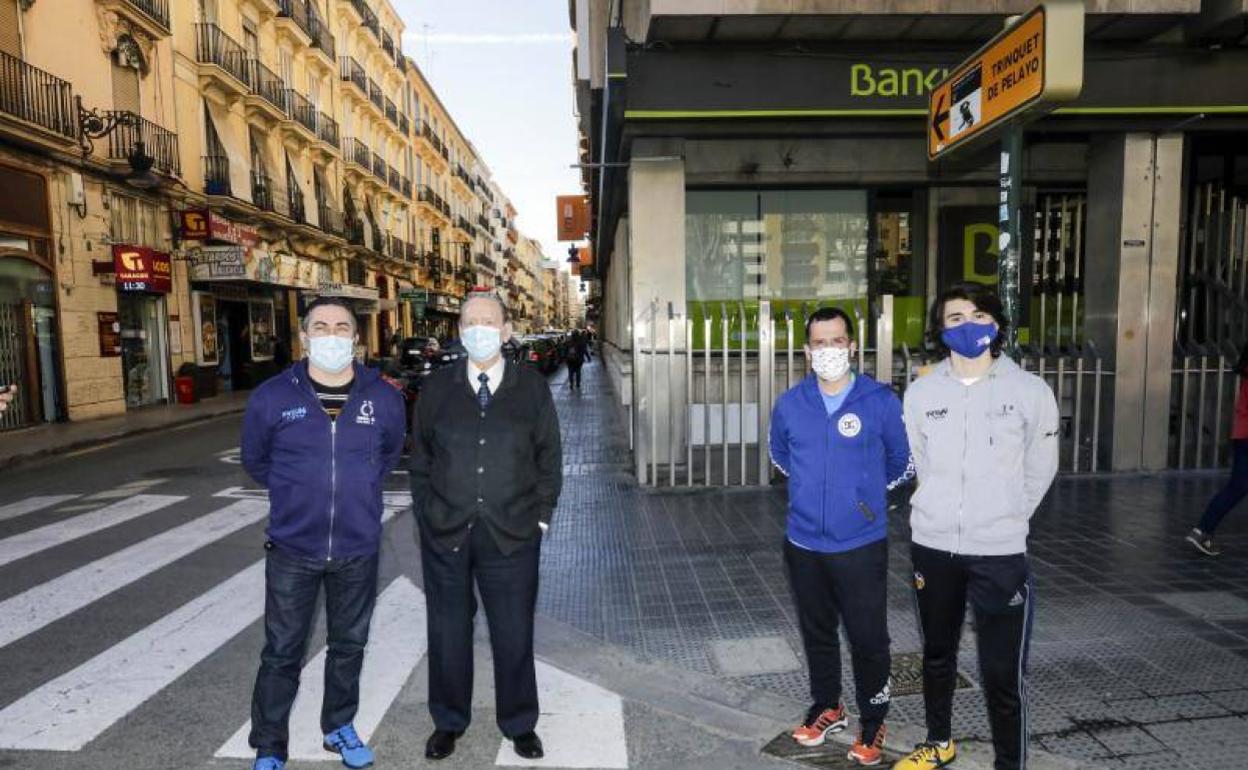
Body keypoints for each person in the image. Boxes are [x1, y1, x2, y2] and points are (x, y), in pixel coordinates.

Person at [893, 282, 1059, 770]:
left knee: (1002, 672)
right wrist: (940, 510)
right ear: (941, 331)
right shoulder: (922, 393)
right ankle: (939, 741)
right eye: (955, 318)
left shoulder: (1030, 392)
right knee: (937, 654)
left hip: (1000, 552)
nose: (968, 326)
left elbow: (1040, 468)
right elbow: (918, 464)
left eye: (978, 315)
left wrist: (1006, 515)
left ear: (997, 323)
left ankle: (1010, 764)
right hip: (933, 546)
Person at [240, 297, 407, 770]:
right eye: (320, 326)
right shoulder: (273, 396)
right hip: (293, 547)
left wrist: (357, 490)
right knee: (281, 651)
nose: (331, 335)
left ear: (356, 338)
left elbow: (390, 454)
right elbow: (256, 460)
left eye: (341, 327)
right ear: (304, 337)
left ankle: (339, 727)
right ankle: (270, 745)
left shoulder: (384, 397)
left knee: (348, 645)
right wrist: (298, 492)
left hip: (358, 546)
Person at [409, 290, 562, 762]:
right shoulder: (437, 389)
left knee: (513, 633)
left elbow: (549, 459)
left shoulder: (531, 387)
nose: (479, 329)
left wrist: (539, 518)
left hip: (512, 535)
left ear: (506, 331)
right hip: (447, 534)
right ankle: (448, 722)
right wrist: (428, 516)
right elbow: (420, 460)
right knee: (448, 632)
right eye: (470, 321)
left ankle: (519, 724)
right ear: (459, 331)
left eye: (488, 321)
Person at [769, 307, 911, 767]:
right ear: (807, 351)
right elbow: (780, 457)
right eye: (819, 343)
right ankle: (827, 706)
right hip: (804, 542)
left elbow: (902, 464)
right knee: (818, 631)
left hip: (860, 544)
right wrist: (813, 496)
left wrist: (863, 503)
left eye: (837, 341)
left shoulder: (880, 401)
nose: (829, 351)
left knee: (868, 636)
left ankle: (874, 719)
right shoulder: (791, 403)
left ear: (852, 345)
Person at [1186, 340, 1248, 556]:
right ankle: (1202, 531)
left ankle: (1202, 531)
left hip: (1243, 434)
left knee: (1237, 487)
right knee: (1238, 487)